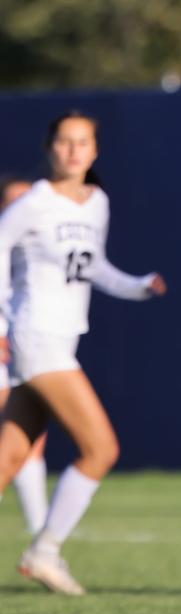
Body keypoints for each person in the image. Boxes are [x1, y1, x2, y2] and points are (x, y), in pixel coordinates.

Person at [0, 111, 167, 595]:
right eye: (64, 142)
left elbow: (94, 268)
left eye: (83, 143)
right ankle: (44, 551)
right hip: (37, 340)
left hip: (59, 341)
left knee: (9, 456)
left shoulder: (96, 203)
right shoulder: (33, 202)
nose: (73, 151)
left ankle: (44, 551)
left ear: (94, 151)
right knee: (101, 448)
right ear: (49, 148)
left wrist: (138, 286)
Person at [0, 175, 50, 536]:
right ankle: (43, 544)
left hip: (18, 351)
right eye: (15, 202)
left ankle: (42, 541)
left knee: (27, 438)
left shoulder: (34, 251)